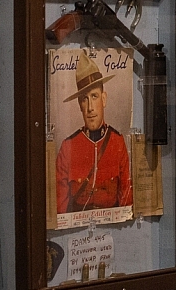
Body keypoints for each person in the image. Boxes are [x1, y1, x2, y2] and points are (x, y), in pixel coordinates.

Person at [55, 53, 133, 216]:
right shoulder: (68, 146)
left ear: (104, 99)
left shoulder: (117, 142)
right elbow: (59, 209)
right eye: (84, 99)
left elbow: (127, 201)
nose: (90, 107)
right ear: (80, 105)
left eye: (95, 96)